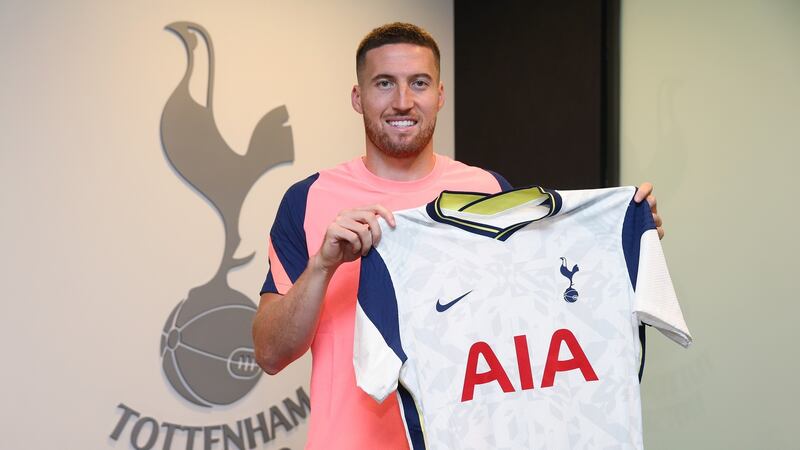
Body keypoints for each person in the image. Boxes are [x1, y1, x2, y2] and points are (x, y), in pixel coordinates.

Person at [252, 22, 664, 450]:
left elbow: (546, 306)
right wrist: (322, 265)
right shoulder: (308, 200)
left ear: (440, 95)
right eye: (384, 83)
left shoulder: (488, 191)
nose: (403, 101)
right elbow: (269, 352)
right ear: (358, 97)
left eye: (419, 83)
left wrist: (622, 233)